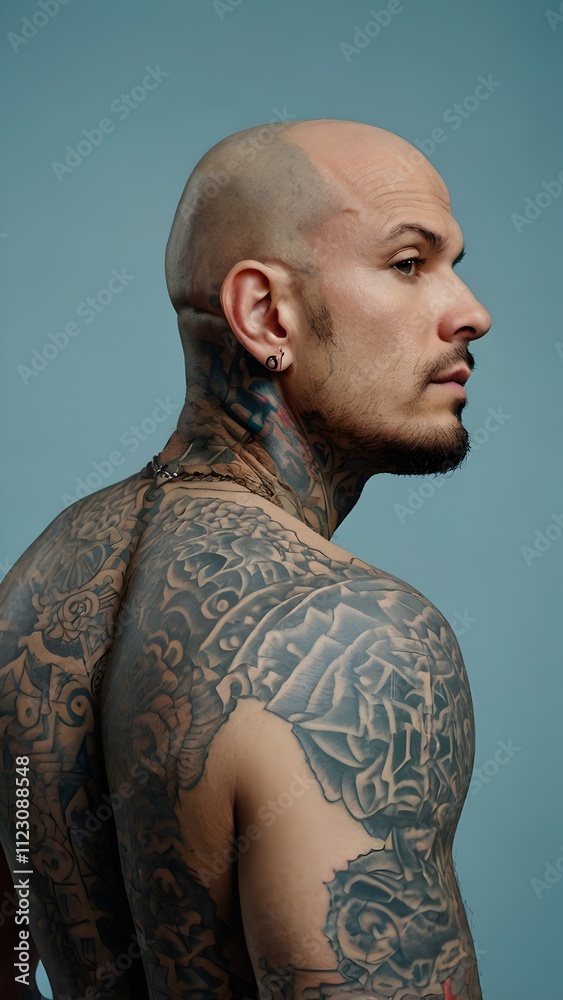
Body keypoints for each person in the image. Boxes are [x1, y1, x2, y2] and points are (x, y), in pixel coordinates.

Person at [0, 118, 492, 1000]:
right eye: (409, 264)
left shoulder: (30, 592)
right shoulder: (353, 639)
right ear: (267, 314)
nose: (470, 312)